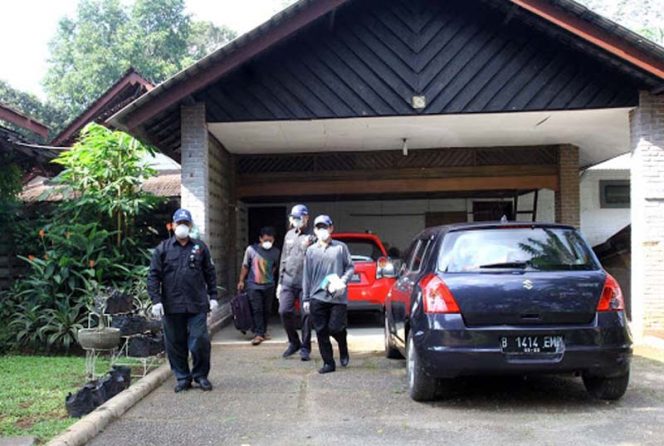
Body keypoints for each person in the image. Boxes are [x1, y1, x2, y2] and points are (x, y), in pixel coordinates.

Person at [148, 209, 219, 392]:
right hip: (171, 305)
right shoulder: (162, 249)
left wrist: (213, 297)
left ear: (190, 225)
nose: (182, 227)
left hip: (197, 304)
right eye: (179, 223)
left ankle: (200, 375)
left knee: (200, 340)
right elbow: (153, 276)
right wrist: (156, 300)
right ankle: (182, 378)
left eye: (185, 224)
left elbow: (210, 274)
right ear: (172, 225)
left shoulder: (200, 247)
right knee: (175, 343)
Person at [302, 215, 354, 374]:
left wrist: (343, 281)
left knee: (335, 328)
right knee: (321, 331)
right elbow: (307, 275)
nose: (322, 230)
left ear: (331, 228)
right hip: (317, 296)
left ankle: (342, 345)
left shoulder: (340, 248)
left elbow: (350, 268)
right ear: (315, 231)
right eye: (318, 227)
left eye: (325, 227)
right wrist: (306, 298)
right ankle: (328, 363)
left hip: (337, 297)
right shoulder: (311, 251)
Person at [277, 204, 315, 361]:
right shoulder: (289, 235)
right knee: (284, 311)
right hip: (288, 280)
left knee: (306, 315)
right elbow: (283, 259)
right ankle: (294, 342)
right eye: (293, 218)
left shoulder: (312, 237)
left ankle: (305, 347)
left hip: (305, 283)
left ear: (306, 218)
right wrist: (280, 282)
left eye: (299, 218)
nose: (296, 221)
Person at [237, 226, 280, 346]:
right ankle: (258, 334)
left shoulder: (276, 252)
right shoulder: (251, 250)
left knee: (266, 310)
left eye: (270, 240)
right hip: (253, 285)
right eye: (265, 240)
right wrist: (241, 281)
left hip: (269, 285)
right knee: (257, 309)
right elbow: (245, 266)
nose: (268, 243)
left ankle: (262, 331)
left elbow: (275, 267)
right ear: (260, 239)